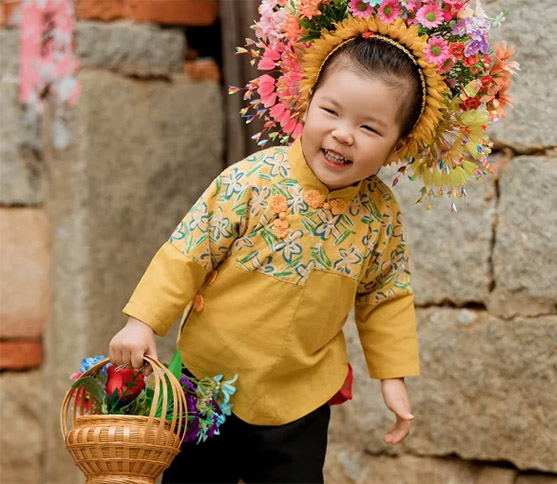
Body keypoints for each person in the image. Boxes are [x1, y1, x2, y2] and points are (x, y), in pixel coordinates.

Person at [109, 1, 517, 482]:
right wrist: (142, 324)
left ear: (398, 145)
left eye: (369, 127)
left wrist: (393, 378)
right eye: (331, 111)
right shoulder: (252, 180)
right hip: (207, 383)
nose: (343, 134)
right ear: (306, 103)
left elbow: (385, 295)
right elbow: (187, 252)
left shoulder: (379, 214)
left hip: (299, 397)